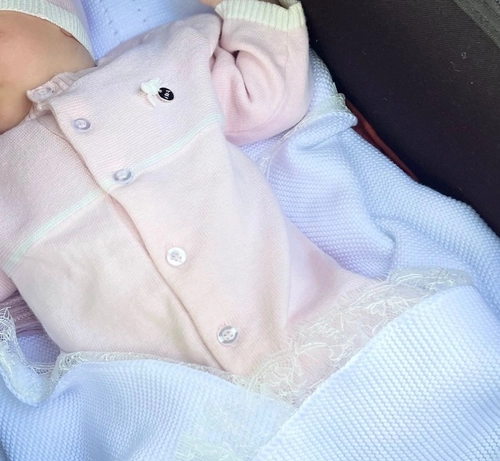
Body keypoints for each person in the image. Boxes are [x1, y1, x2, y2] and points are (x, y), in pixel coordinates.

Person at [0, 0, 452, 403]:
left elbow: (267, 96)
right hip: (174, 406)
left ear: (57, 25)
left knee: (421, 393)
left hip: (304, 323)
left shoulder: (159, 64)